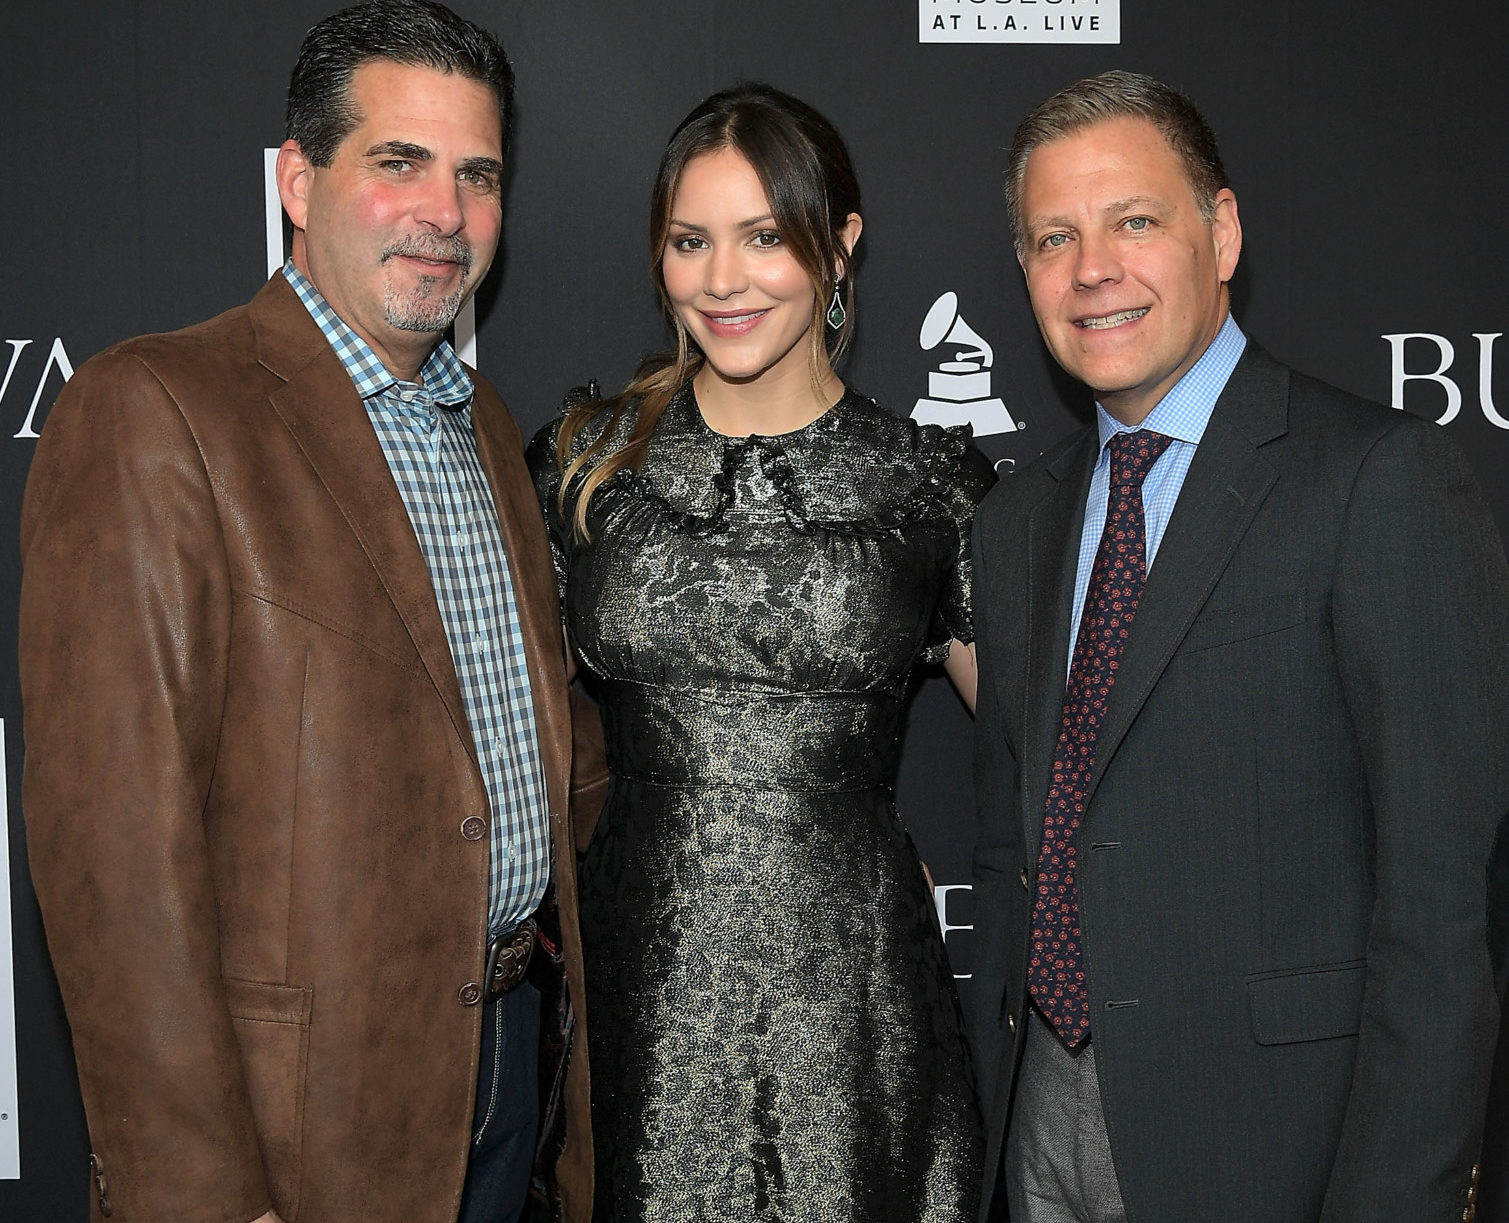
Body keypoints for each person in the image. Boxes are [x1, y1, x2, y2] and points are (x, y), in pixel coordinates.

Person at [18, 3, 604, 1221]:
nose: (445, 212)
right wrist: (199, 1192)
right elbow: (115, 872)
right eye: (399, 162)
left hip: (508, 1066)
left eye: (477, 174)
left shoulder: (490, 429)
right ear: (299, 179)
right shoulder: (157, 410)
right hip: (301, 1117)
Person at [968, 69, 1509, 1223]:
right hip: (1035, 1133)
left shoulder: (1376, 479)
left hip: (1277, 1144)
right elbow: (1019, 847)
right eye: (1053, 236)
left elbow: (1440, 910)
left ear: (1221, 233)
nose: (1092, 266)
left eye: (1135, 220)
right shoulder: (1016, 522)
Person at [528, 83, 990, 1221]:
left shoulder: (930, 483)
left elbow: (1065, 752)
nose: (722, 280)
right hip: (640, 997)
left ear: (840, 244)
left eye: (765, 236)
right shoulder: (587, 465)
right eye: (691, 240)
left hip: (854, 1004)